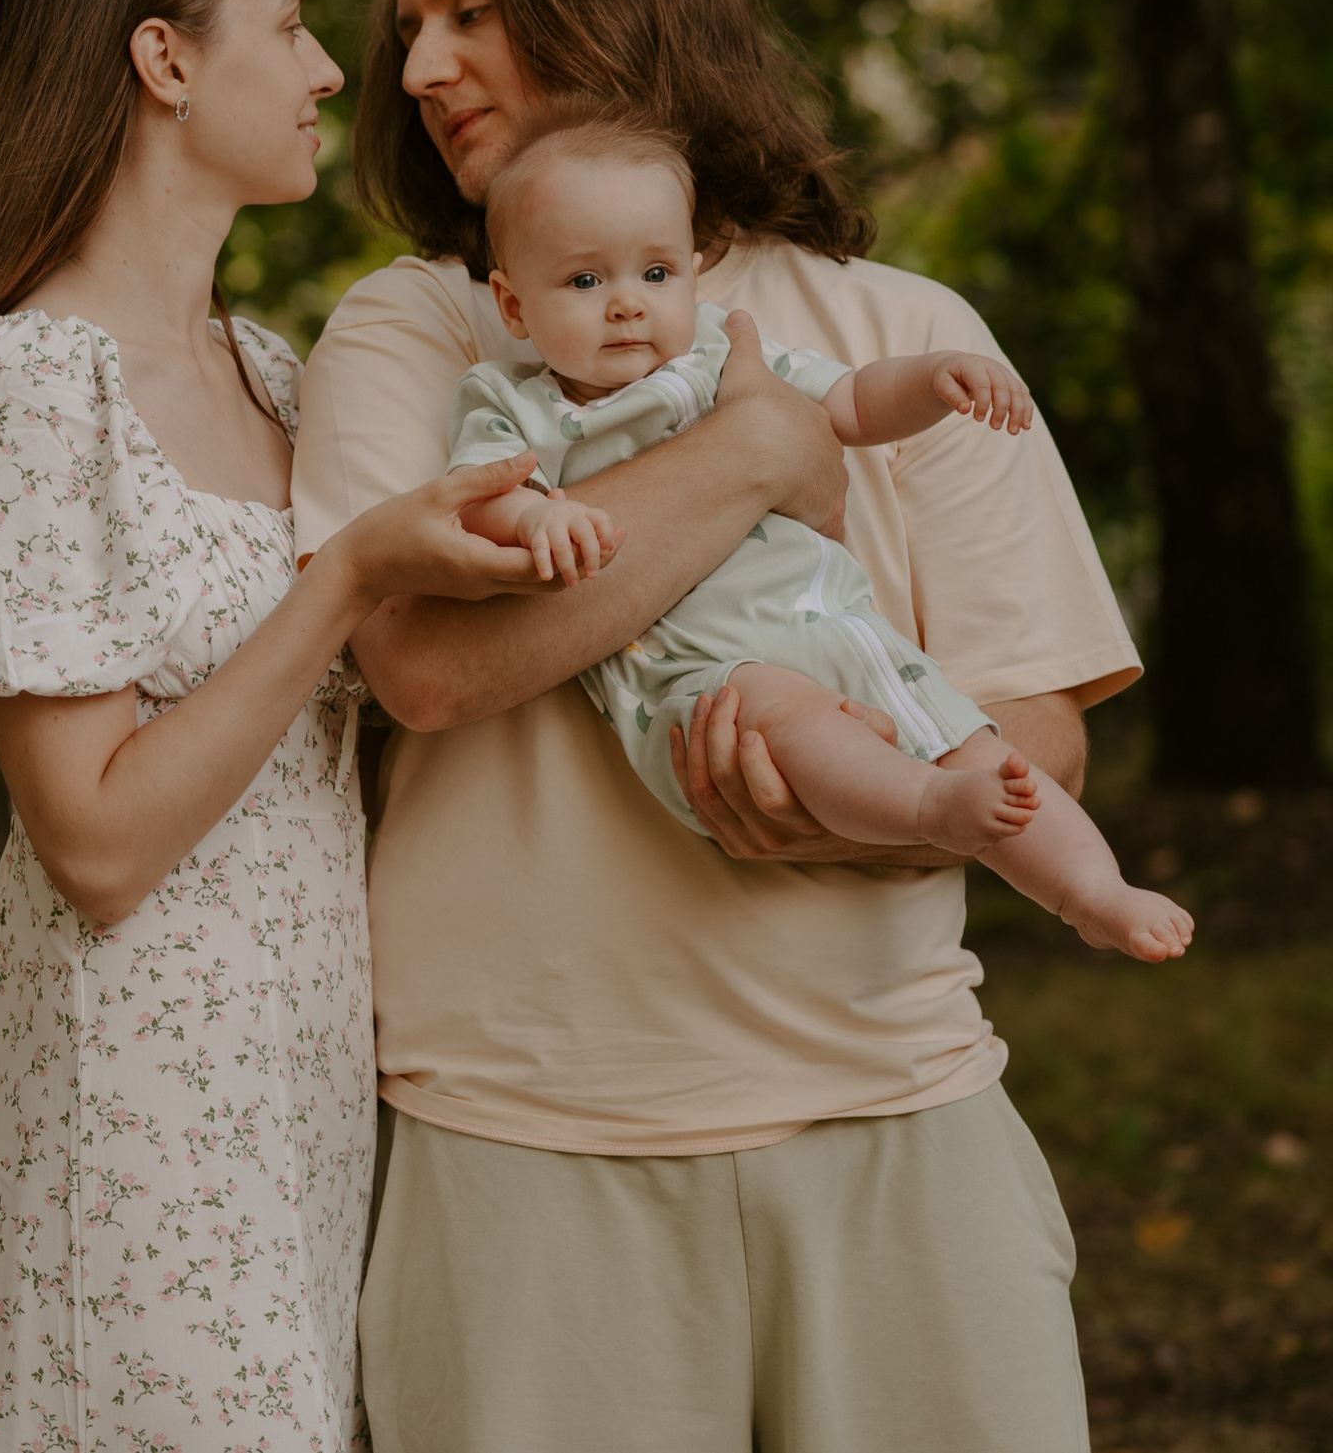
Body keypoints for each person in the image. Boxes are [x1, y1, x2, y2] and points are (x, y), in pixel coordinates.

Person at [291, 0, 1140, 1450]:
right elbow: (425, 667)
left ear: (615, 7)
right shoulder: (415, 330)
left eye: (467, 10)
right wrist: (755, 456)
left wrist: (862, 811)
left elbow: (1041, 740)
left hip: (903, 1114)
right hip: (525, 1139)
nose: (415, 67)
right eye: (410, 26)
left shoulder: (913, 331)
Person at [0, 0, 548, 1450]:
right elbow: (89, 842)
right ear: (163, 61)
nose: (322, 71)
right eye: (288, 25)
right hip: (135, 1105)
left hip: (296, 1093)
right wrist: (350, 568)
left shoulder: (274, 374)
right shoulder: (29, 389)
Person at [449, 109, 1193, 963]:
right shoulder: (510, 402)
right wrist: (536, 514)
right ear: (512, 301)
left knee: (975, 742)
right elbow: (479, 500)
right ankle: (926, 809)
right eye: (583, 283)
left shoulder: (723, 357)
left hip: (838, 625)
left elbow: (852, 403)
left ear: (692, 275)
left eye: (655, 272)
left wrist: (934, 379)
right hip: (701, 675)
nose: (625, 304)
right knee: (793, 718)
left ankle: (1091, 892)